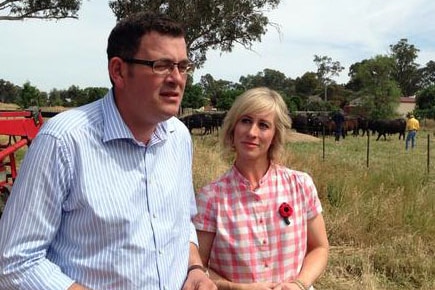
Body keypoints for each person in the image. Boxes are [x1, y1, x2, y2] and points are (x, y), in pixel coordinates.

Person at [0, 11, 216, 290]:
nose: (177, 79)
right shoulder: (65, 140)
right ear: (118, 71)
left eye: (182, 66)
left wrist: (195, 268)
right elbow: (15, 261)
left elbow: (179, 223)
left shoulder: (179, 137)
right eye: (161, 65)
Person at [193, 87, 329, 290]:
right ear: (233, 127)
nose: (252, 132)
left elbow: (319, 247)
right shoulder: (211, 197)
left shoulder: (300, 185)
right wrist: (238, 288)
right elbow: (198, 267)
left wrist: (300, 284)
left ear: (275, 135)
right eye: (245, 121)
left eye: (263, 125)